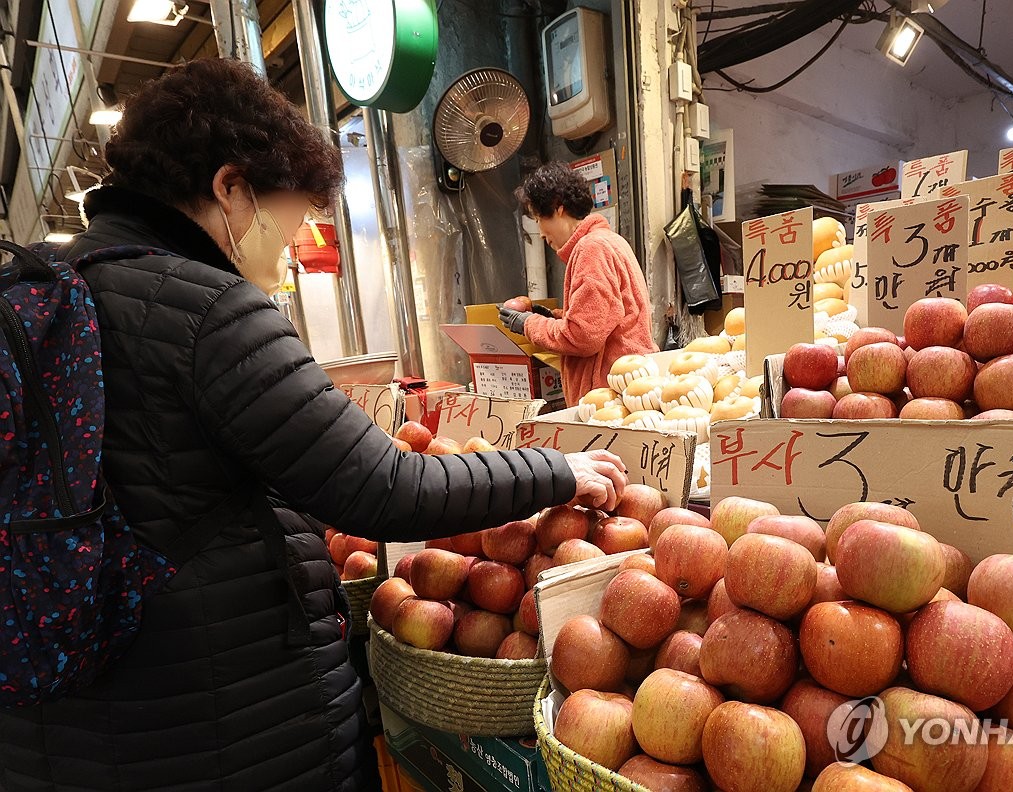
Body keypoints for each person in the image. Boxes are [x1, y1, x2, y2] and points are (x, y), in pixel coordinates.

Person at [0, 58, 627, 792]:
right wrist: (553, 470)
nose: (295, 246)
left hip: (62, 720)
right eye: (293, 218)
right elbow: (386, 488)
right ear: (230, 190)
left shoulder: (44, 290)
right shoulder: (206, 311)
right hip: (224, 732)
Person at [501, 162, 656, 405]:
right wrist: (554, 317)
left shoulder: (591, 249)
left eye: (538, 218)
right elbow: (606, 319)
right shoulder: (610, 241)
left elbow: (583, 337)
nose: (541, 233)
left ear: (557, 208)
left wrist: (529, 324)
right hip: (626, 388)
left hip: (608, 398)